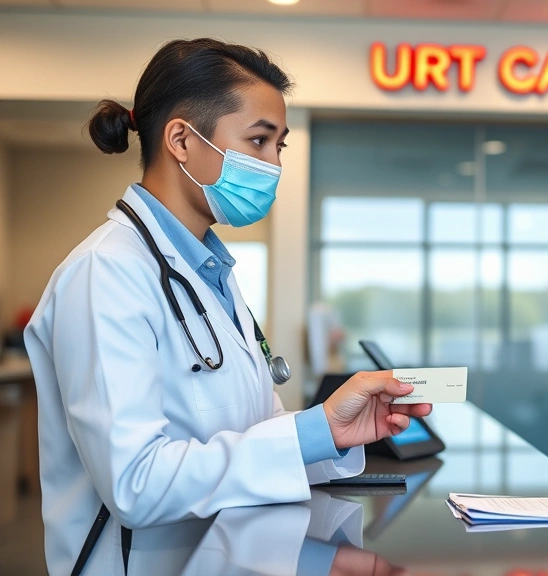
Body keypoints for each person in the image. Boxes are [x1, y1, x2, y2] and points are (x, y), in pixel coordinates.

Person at [24, 38, 431, 576]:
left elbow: (249, 433)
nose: (272, 165)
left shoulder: (208, 273)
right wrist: (311, 433)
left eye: (278, 146)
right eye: (258, 141)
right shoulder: (107, 272)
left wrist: (329, 431)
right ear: (180, 140)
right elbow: (136, 483)